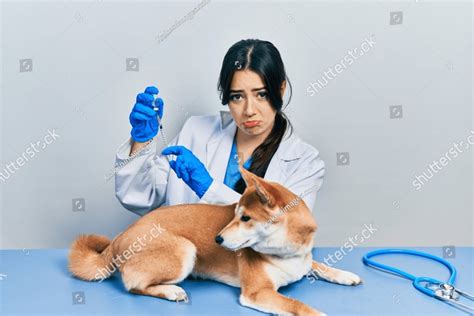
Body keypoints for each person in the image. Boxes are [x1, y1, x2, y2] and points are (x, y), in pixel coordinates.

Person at [114, 39, 325, 217]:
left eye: (261, 94)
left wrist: (209, 188)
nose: (249, 110)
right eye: (237, 96)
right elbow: (140, 197)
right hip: (186, 262)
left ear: (280, 89)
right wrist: (141, 141)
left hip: (250, 267)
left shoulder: (305, 162)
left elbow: (287, 231)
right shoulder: (195, 131)